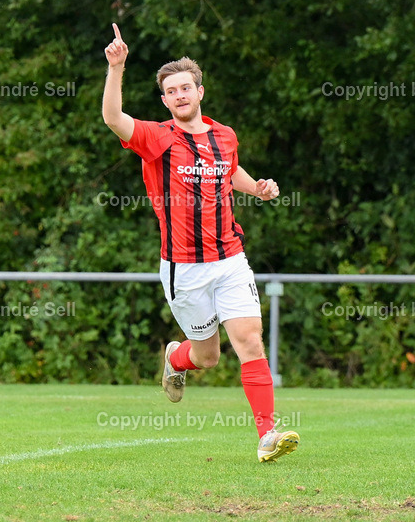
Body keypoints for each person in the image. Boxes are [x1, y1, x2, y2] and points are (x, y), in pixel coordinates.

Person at [101, 23, 299, 462]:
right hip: (184, 267)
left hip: (230, 257)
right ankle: (177, 359)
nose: (180, 95)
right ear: (165, 101)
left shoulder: (224, 135)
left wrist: (259, 188)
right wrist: (117, 68)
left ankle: (267, 435)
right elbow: (114, 119)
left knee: (249, 340)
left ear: (200, 91)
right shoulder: (157, 138)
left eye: (186, 87)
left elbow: (231, 172)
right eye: (172, 91)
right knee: (208, 358)